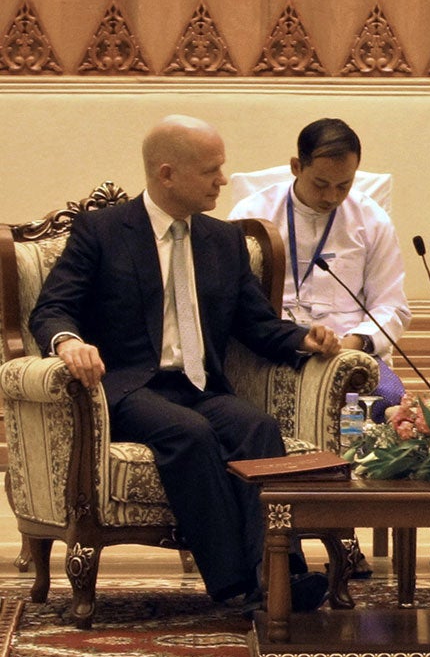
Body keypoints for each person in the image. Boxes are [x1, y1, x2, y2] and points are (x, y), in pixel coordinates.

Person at [30, 115, 343, 615]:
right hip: (130, 386)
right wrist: (68, 342)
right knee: (189, 433)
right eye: (211, 170)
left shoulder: (222, 241)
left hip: (200, 383)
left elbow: (255, 324)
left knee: (257, 427)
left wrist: (304, 339)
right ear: (167, 173)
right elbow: (51, 307)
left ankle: (279, 576)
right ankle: (236, 586)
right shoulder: (104, 231)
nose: (223, 179)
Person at [229, 118, 411, 423]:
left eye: (344, 185)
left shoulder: (372, 220)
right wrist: (294, 339)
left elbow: (391, 305)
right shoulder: (251, 215)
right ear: (297, 167)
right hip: (278, 346)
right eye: (321, 184)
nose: (331, 197)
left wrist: (353, 342)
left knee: (388, 399)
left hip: (348, 350)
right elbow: (236, 303)